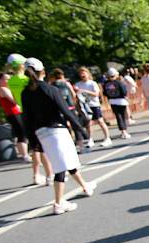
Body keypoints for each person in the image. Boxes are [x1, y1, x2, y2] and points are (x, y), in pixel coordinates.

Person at [21, 58, 96, 215]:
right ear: (43, 71)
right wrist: (80, 129)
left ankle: (84, 186)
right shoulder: (50, 89)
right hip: (57, 131)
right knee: (61, 167)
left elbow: (27, 119)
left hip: (40, 133)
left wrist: (33, 141)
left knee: (66, 161)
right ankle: (58, 202)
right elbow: (66, 111)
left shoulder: (26, 93)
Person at [7, 53, 53, 184]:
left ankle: (36, 174)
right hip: (34, 114)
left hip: (21, 113)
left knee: (35, 147)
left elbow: (15, 99)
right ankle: (49, 174)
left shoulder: (11, 80)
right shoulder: (27, 80)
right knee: (42, 146)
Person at [0, 72, 31, 162]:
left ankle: (24, 154)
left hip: (15, 112)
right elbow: (14, 100)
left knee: (22, 133)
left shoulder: (7, 88)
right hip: (13, 113)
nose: (8, 80)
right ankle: (24, 155)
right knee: (21, 134)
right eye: (6, 79)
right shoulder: (3, 89)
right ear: (0, 80)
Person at [50, 68, 88, 151]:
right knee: (75, 125)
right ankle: (81, 145)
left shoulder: (52, 85)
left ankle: (70, 145)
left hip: (60, 108)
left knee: (65, 127)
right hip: (70, 107)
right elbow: (73, 94)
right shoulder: (66, 83)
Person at [75, 67, 112, 148]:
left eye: (84, 73)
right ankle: (90, 139)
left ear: (88, 74)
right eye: (81, 73)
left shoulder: (92, 83)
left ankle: (107, 138)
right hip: (85, 106)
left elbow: (96, 94)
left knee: (100, 121)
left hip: (94, 105)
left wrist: (85, 91)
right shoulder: (78, 84)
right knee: (88, 123)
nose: (82, 75)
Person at [103, 68, 131, 139]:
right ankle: (124, 131)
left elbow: (105, 93)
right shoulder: (119, 82)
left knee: (118, 116)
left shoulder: (106, 83)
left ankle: (122, 131)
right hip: (121, 101)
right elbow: (124, 91)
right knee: (122, 116)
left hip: (112, 101)